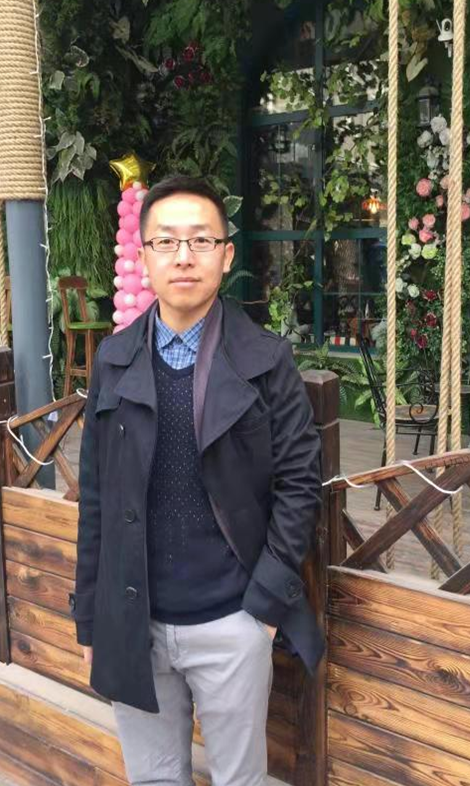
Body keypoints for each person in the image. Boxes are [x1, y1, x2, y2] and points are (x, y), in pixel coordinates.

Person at [69, 174, 324, 786]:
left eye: (201, 240)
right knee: (154, 778)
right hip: (135, 619)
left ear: (226, 255)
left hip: (232, 620)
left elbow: (300, 483)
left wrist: (262, 611)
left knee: (240, 779)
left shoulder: (266, 360)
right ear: (143, 257)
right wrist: (91, 617)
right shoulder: (114, 360)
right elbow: (96, 497)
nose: (183, 256)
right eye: (166, 241)